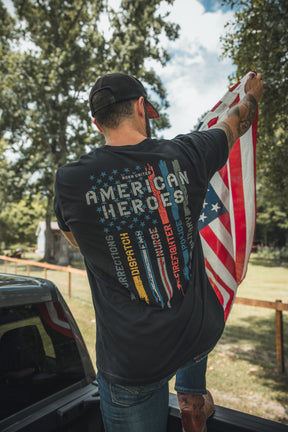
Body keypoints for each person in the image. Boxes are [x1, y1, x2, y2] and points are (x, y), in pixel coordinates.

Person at [54, 72, 263, 432]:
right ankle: (192, 397)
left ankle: (191, 395)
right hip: (193, 334)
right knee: (192, 342)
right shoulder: (186, 154)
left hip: (132, 362)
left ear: (96, 122)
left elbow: (75, 239)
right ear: (140, 107)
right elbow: (235, 123)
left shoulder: (70, 180)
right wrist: (252, 97)